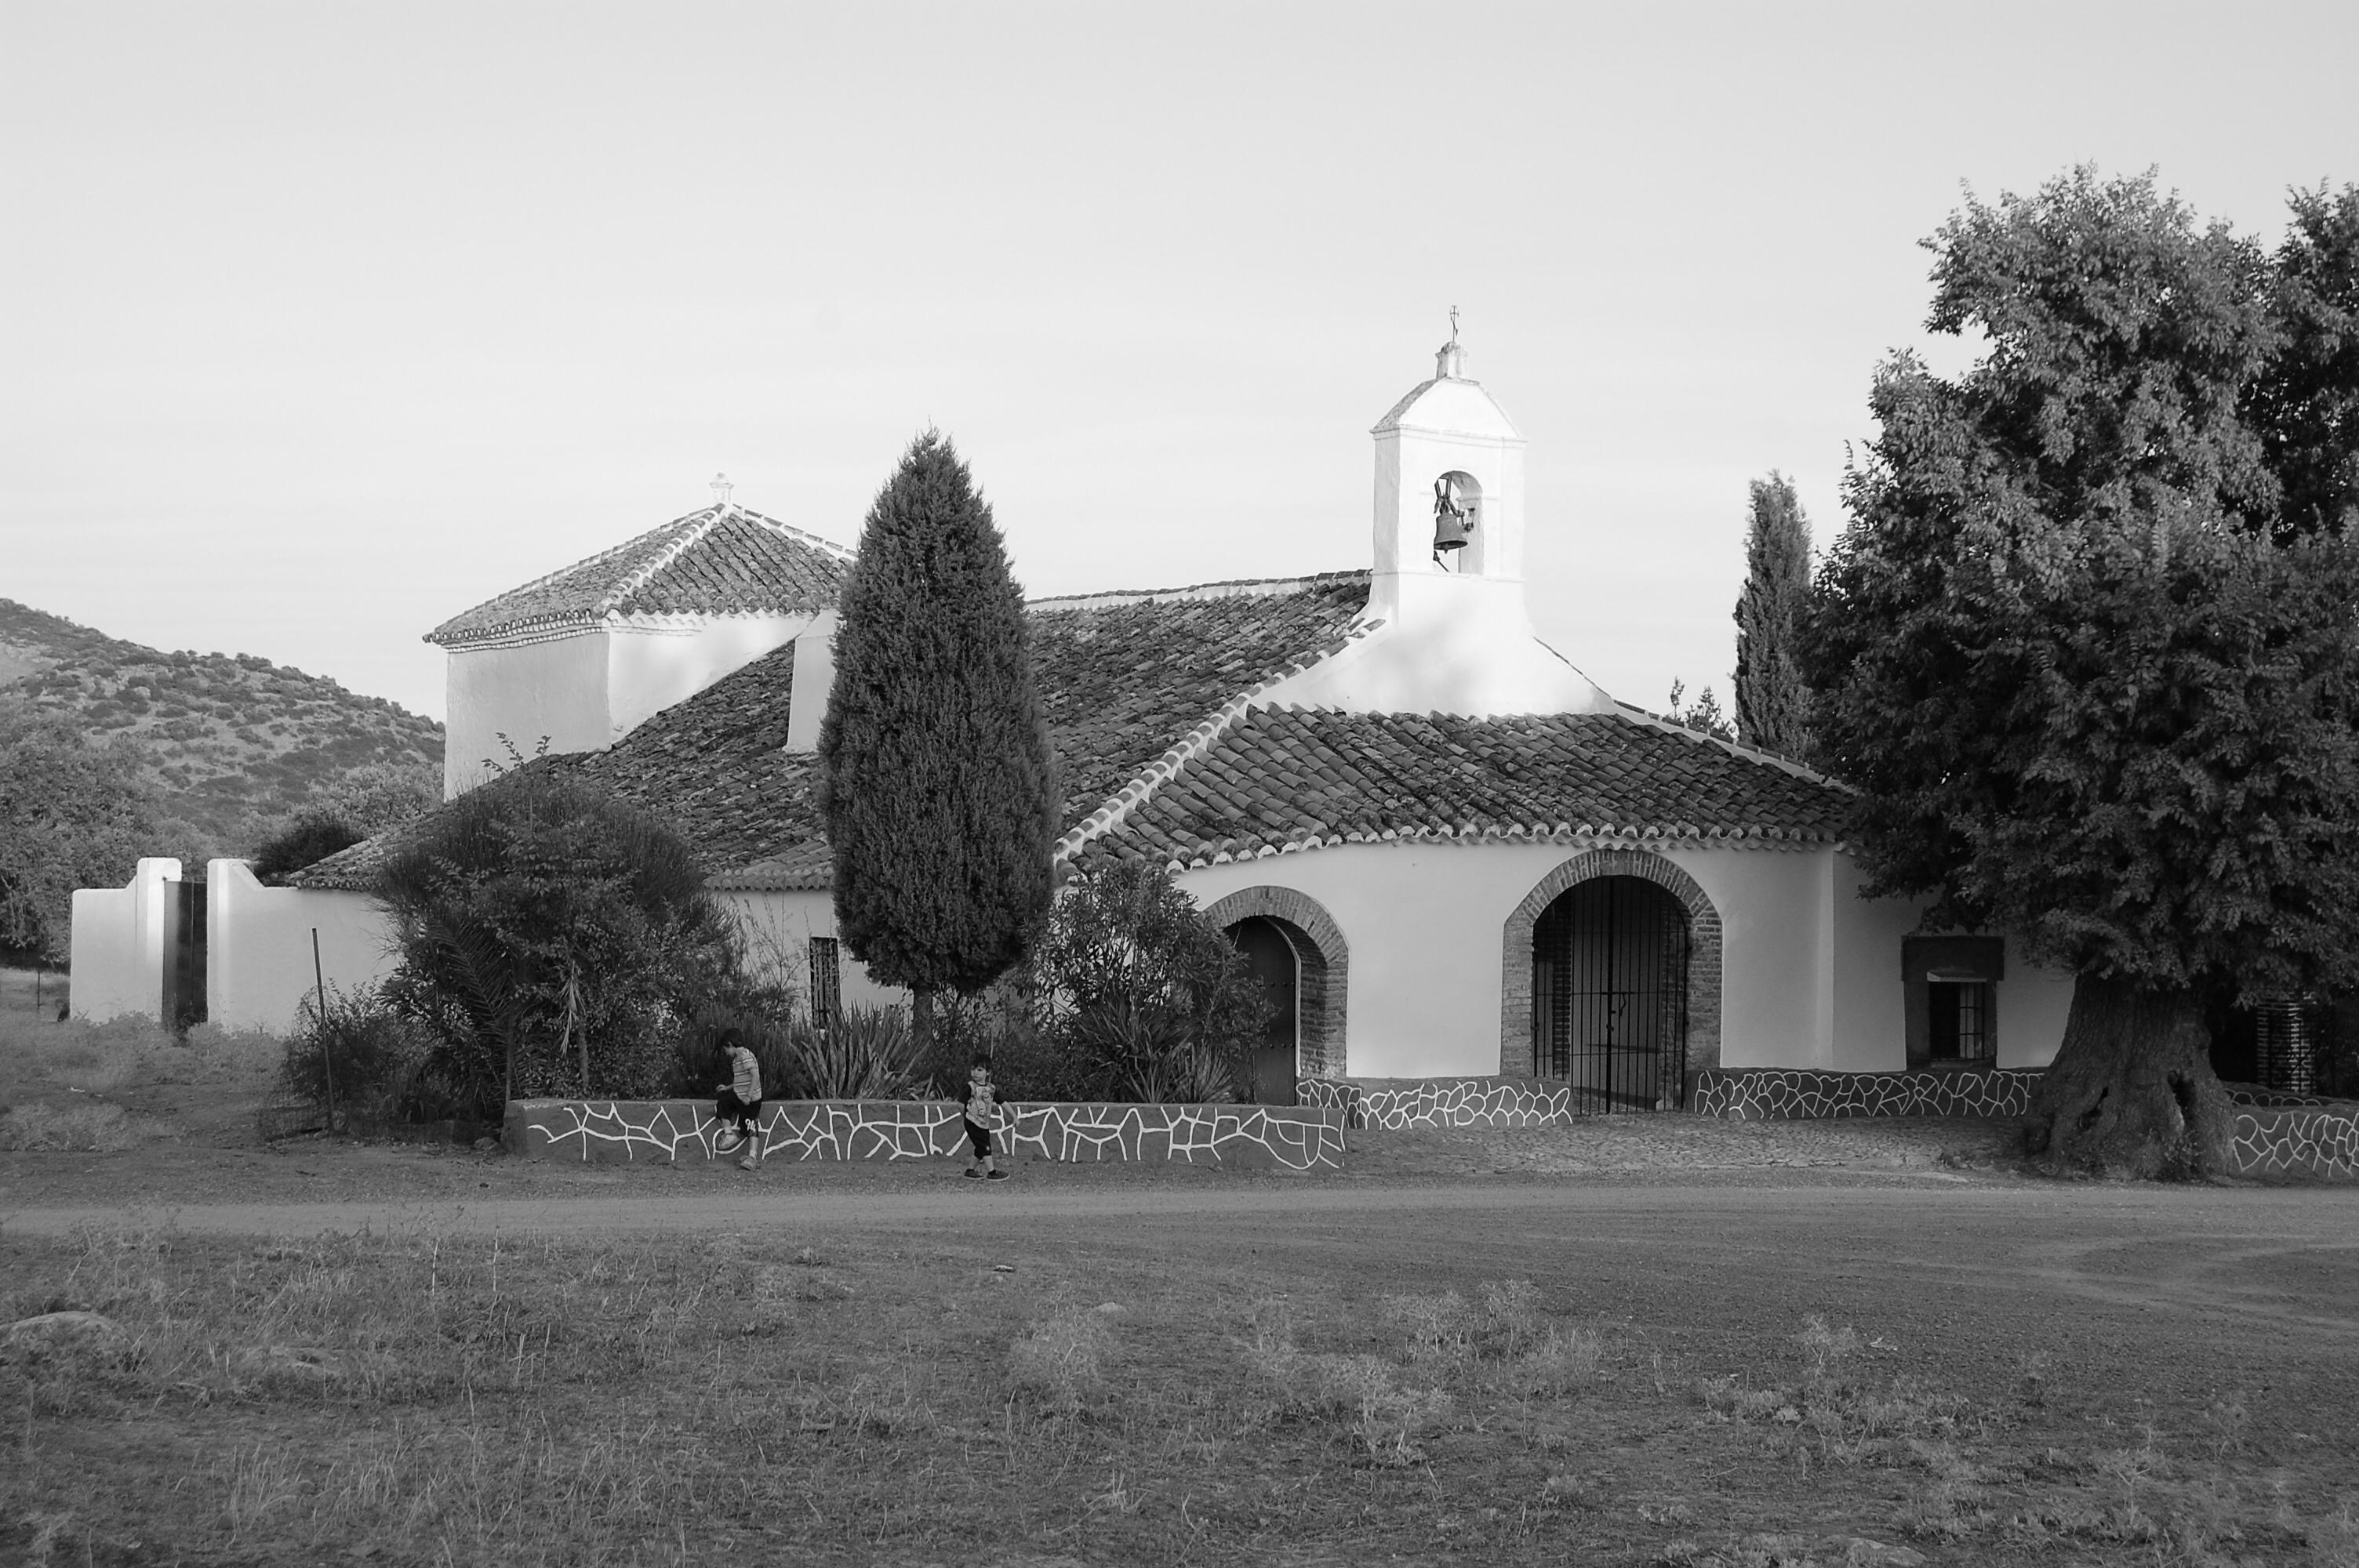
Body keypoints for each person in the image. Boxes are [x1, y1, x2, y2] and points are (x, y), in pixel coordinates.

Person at [712, 1032, 765, 1171]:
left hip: (751, 1099)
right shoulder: (736, 1060)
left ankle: (752, 1157)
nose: (726, 1053)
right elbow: (740, 1081)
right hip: (739, 1096)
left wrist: (748, 1095)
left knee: (751, 1125)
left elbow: (755, 1076)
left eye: (725, 1049)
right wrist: (727, 1088)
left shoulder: (745, 1057)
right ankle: (729, 1134)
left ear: (730, 1045)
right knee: (723, 1103)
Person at [961, 1058, 1010, 1181]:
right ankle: (992, 1172)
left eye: (979, 1070)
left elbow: (1003, 1102)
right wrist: (967, 1116)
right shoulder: (970, 1087)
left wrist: (1014, 1117)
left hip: (984, 1123)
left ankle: (970, 1170)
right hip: (972, 1122)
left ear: (988, 1072)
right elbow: (960, 1104)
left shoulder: (991, 1089)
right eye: (973, 1069)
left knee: (980, 1146)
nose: (975, 1073)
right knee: (985, 1146)